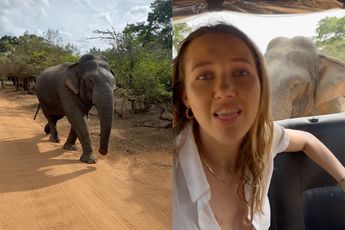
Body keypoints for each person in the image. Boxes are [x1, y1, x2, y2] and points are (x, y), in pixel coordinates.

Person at [172, 23, 345, 230]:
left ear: (261, 85)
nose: (225, 90)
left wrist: (343, 177)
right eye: (204, 76)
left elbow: (307, 140)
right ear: (185, 97)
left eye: (241, 72)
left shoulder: (264, 137)